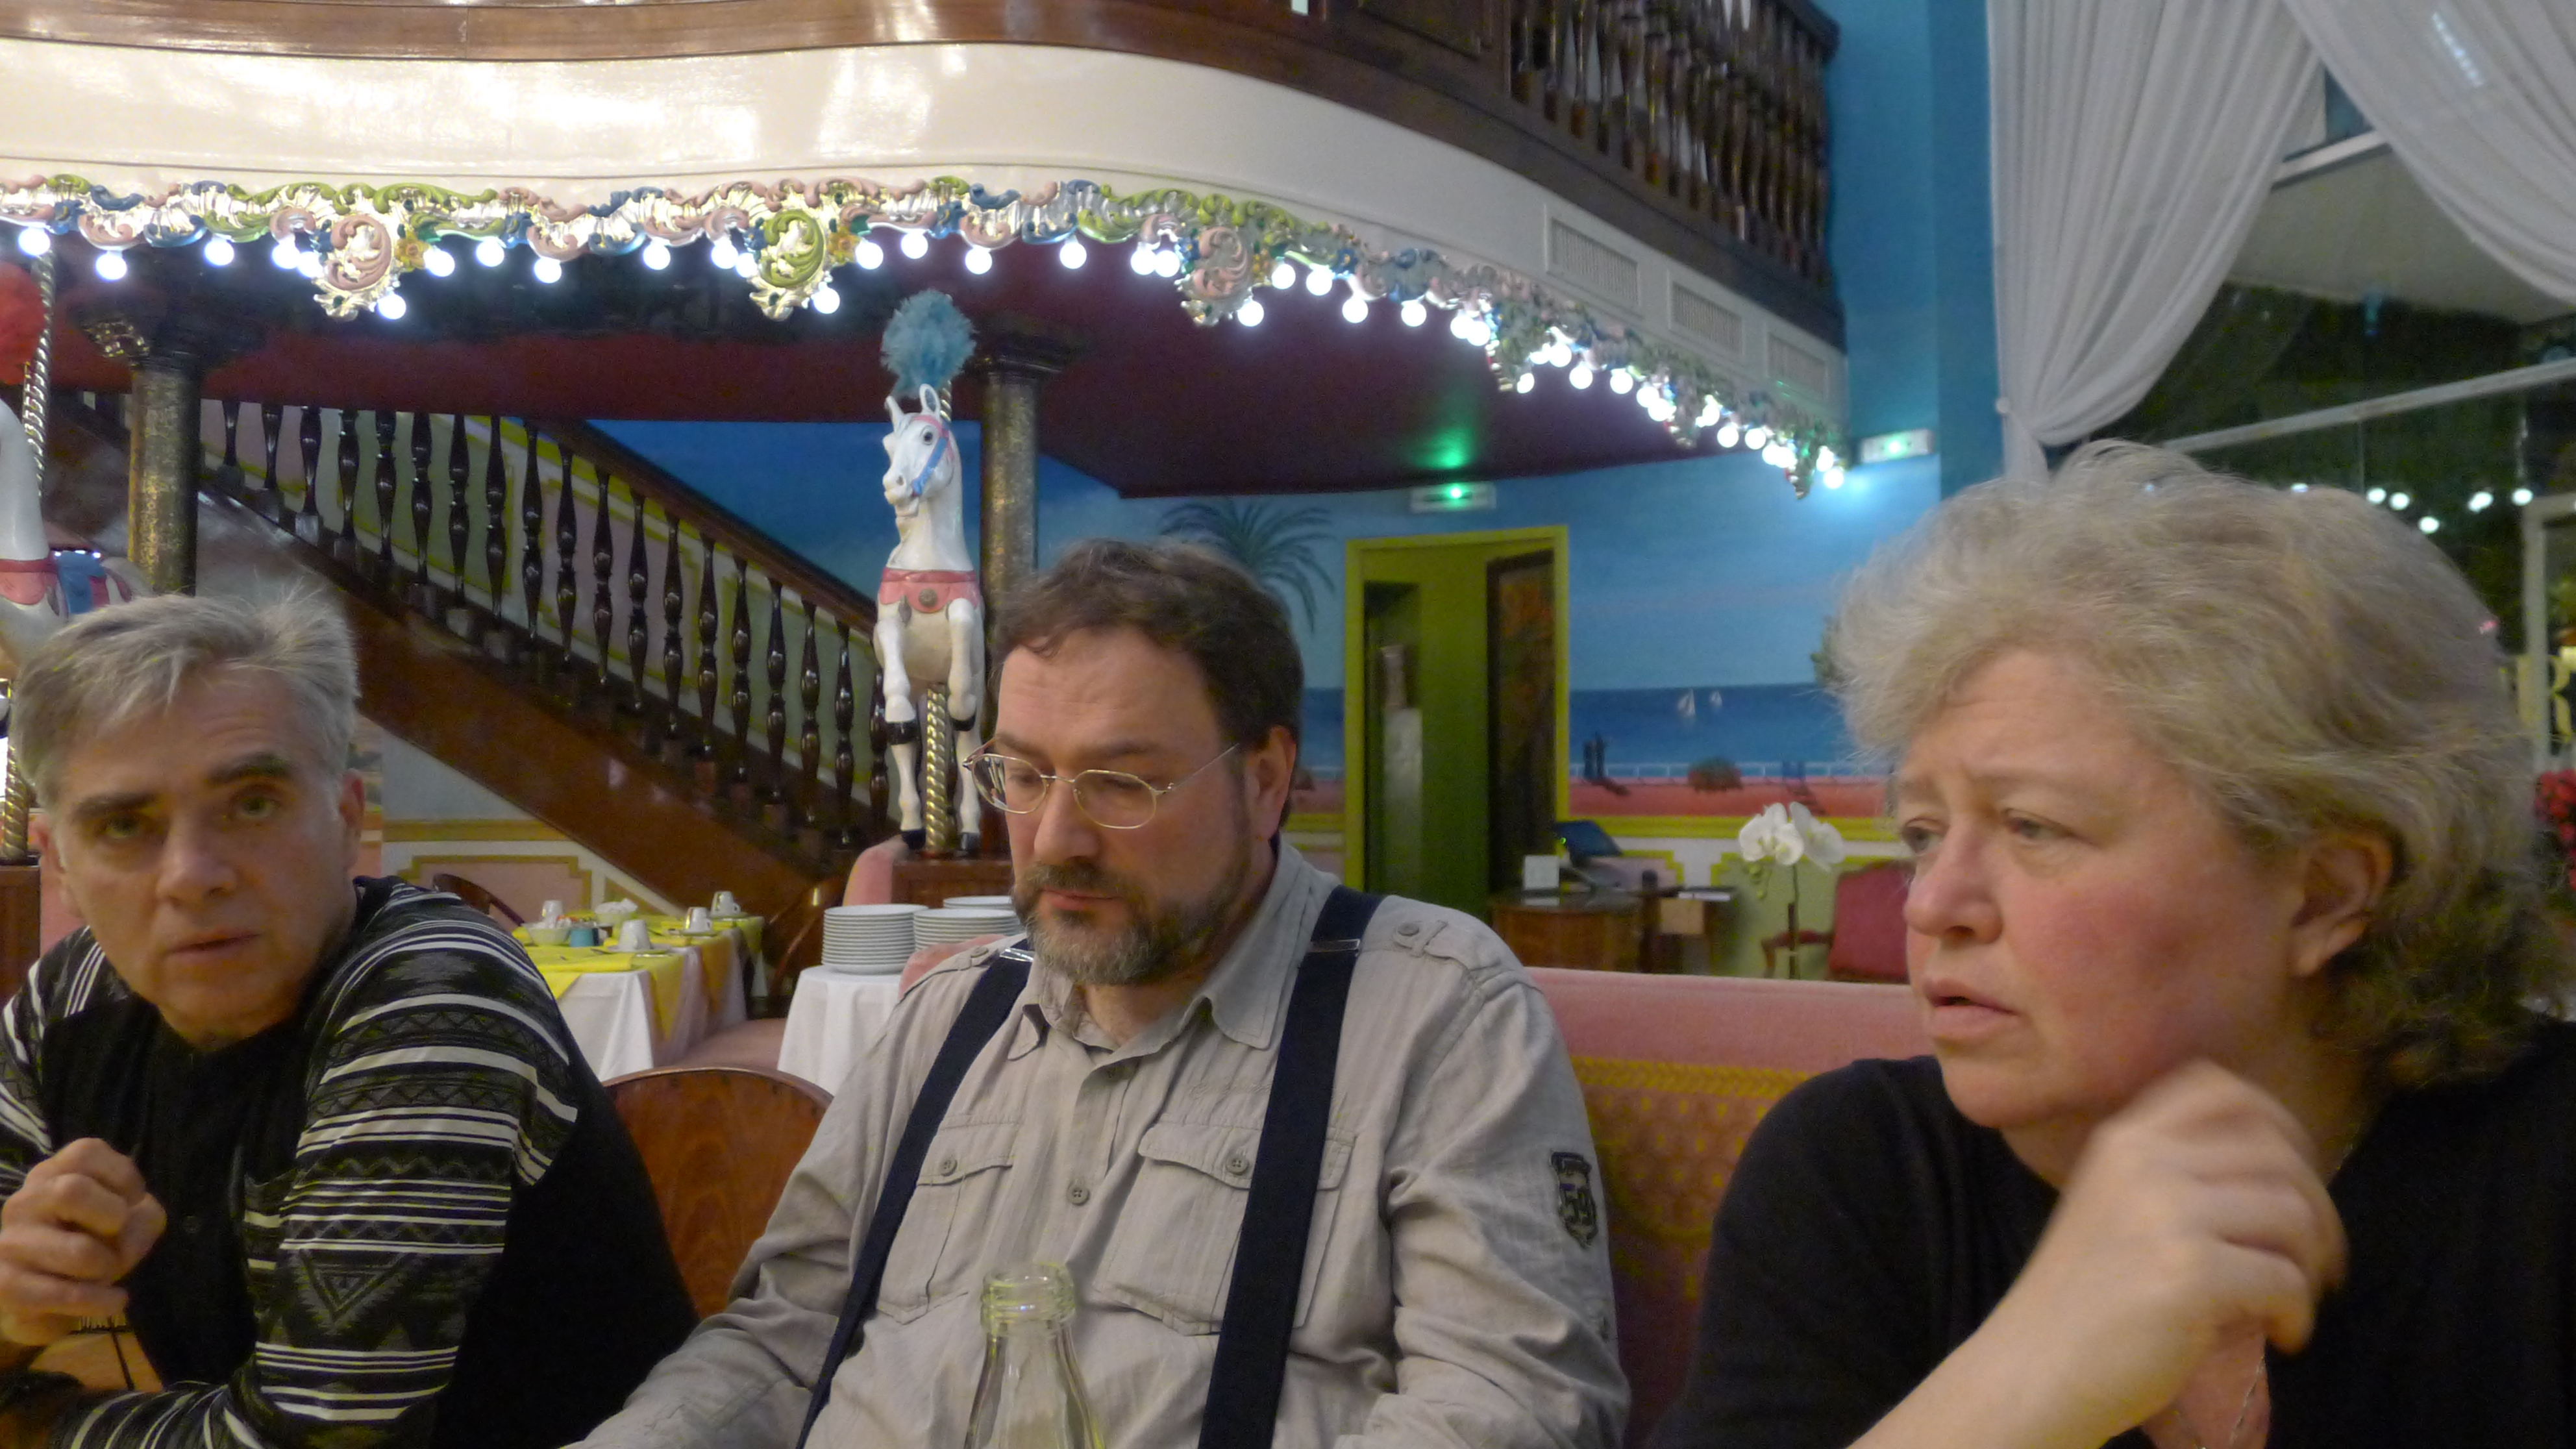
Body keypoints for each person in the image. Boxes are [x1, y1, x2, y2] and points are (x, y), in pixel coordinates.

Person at [581, 539, 1624, 1448]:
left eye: (1123, 784)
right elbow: (783, 1341)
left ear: (1265, 781)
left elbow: (1513, 1404)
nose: (1057, 839)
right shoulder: (947, 1018)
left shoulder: (1434, 1013)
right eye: (1024, 776)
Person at [1650, 443, 2576, 1449]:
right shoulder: (1864, 1172)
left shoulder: (2540, 1176)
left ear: (2323, 897)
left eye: (2031, 826)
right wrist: (2019, 1386)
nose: (1933, 904)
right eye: (1922, 833)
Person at [0, 592, 695, 1448]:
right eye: (123, 824)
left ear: (346, 819)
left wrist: (32, 1427)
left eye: (253, 803)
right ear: (60, 863)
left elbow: (316, 1439)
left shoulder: (434, 997)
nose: (191, 875)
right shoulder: (72, 998)